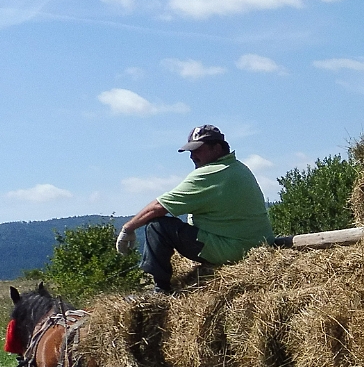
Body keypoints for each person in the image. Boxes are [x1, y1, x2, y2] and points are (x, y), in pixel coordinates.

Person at [115, 125, 274, 293]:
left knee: (157, 226)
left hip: (233, 250)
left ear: (217, 148)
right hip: (256, 246)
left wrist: (128, 228)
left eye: (198, 150)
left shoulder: (210, 173)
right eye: (190, 151)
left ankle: (160, 291)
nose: (192, 156)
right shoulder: (238, 167)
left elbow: (158, 207)